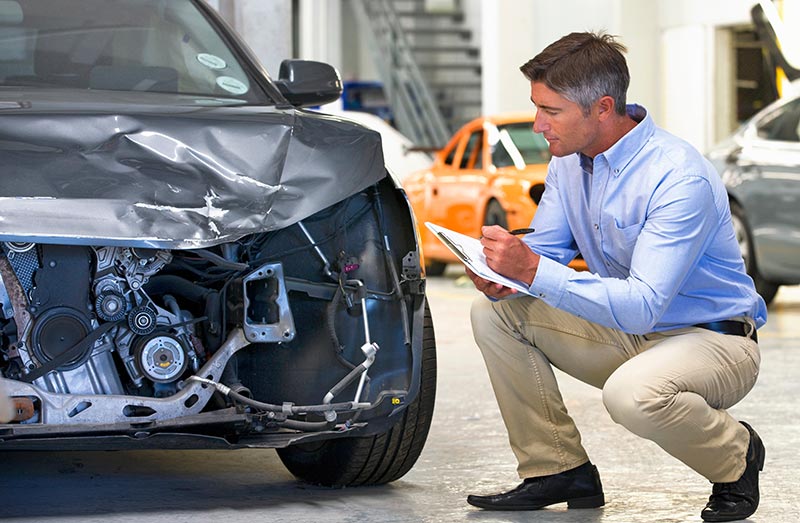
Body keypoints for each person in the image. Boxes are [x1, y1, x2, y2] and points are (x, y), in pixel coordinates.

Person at [465, 32, 767, 523]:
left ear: (603, 108)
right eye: (537, 107)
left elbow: (642, 304)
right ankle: (557, 468)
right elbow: (545, 252)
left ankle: (737, 453)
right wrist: (502, 273)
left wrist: (533, 270)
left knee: (632, 396)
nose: (539, 125)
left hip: (714, 340)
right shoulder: (568, 163)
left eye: (551, 111)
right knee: (495, 312)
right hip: (629, 333)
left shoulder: (678, 176)